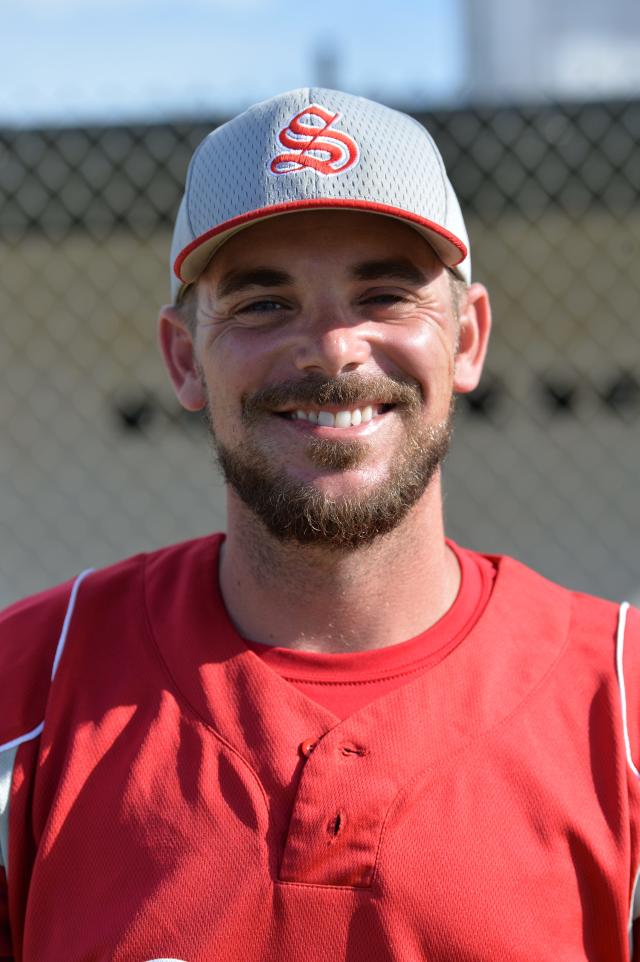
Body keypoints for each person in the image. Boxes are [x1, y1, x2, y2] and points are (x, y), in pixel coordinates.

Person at [0, 87, 638, 962]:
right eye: (263, 303)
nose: (334, 347)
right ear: (185, 360)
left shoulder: (626, 708)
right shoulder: (24, 690)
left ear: (467, 340)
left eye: (383, 294)